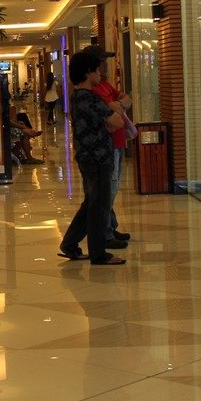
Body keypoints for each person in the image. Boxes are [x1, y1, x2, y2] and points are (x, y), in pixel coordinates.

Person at [58, 50, 125, 265]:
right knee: (99, 206)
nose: (100, 72)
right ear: (88, 72)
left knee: (91, 203)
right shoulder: (90, 98)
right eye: (97, 68)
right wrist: (113, 114)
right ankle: (98, 253)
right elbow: (117, 122)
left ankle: (69, 244)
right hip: (98, 159)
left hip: (88, 157)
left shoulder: (78, 98)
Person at [83, 45, 133, 246]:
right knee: (106, 191)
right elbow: (112, 115)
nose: (105, 65)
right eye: (102, 62)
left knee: (111, 188)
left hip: (118, 143)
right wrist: (117, 106)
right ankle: (104, 233)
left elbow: (126, 101)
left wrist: (118, 106)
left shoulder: (105, 85)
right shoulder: (92, 89)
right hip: (106, 146)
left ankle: (110, 226)